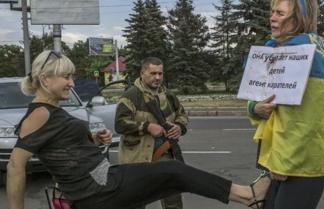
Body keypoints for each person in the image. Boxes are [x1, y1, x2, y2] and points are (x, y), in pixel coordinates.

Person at [7, 50, 270, 209]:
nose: (72, 83)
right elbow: (16, 166)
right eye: (66, 77)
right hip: (97, 190)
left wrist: (97, 140)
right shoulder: (39, 112)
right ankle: (247, 195)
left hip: (101, 182)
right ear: (44, 79)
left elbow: (63, 150)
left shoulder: (51, 111)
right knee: (173, 172)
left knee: (169, 178)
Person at [246, 0, 324, 209]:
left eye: (280, 13)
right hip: (278, 161)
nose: (272, 17)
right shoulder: (276, 51)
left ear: (297, 21)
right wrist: (255, 108)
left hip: (302, 165)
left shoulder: (311, 58)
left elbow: (309, 123)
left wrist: (284, 165)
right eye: (272, 12)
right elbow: (256, 100)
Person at [114, 56, 188, 209]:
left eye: (160, 73)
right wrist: (147, 127)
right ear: (142, 73)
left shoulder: (168, 95)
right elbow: (120, 124)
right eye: (153, 73)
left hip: (165, 155)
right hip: (137, 158)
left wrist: (179, 126)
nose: (158, 77)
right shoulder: (130, 96)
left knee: (173, 198)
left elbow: (182, 114)